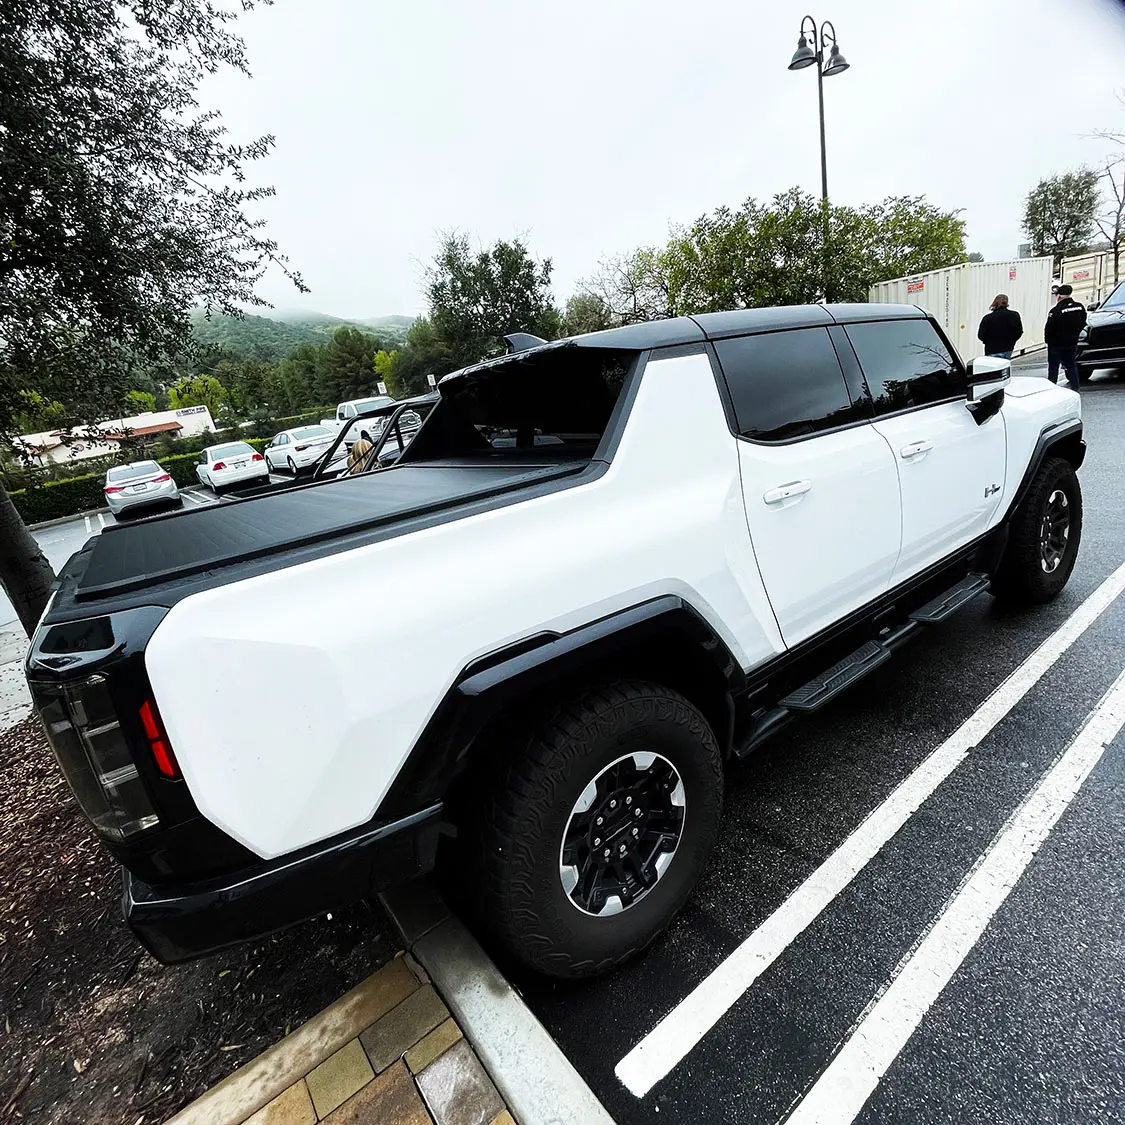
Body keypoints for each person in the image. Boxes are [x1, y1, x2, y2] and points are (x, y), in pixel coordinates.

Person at [1044, 283, 1087, 391]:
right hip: (1072, 342)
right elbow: (1083, 322)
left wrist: (1048, 340)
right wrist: (1075, 334)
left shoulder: (1056, 310)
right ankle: (1075, 388)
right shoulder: (1079, 307)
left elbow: (1049, 327)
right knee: (1071, 366)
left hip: (1056, 344)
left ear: (1059, 296)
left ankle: (1051, 390)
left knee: (1053, 368)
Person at [977, 294, 1023, 358]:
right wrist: (1012, 341)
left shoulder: (988, 318)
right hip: (1008, 349)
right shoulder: (1015, 315)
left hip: (991, 349)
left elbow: (981, 335)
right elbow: (1019, 331)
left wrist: (987, 341)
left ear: (994, 303)